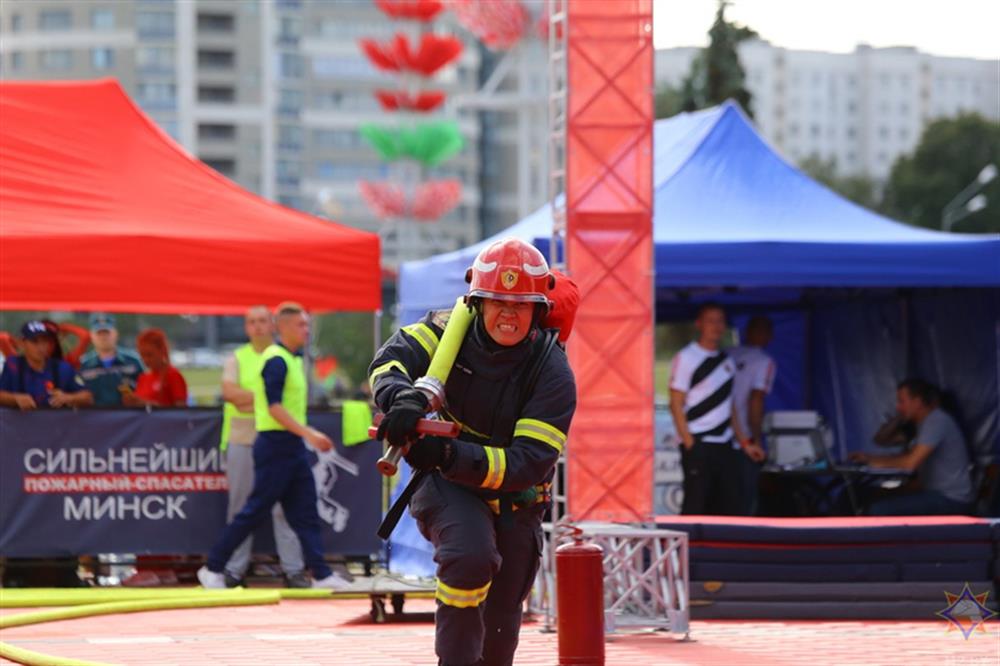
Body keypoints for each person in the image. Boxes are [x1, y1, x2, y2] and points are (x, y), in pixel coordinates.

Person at [369, 238, 576, 666]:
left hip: (516, 499)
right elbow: (389, 362)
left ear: (537, 311)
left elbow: (526, 463)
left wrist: (447, 455)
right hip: (448, 487)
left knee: (500, 630)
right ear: (477, 303)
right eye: (497, 302)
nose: (507, 314)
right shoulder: (446, 329)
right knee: (470, 557)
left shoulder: (552, 372)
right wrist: (401, 398)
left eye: (519, 305)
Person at [198, 302, 350, 590]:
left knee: (304, 512)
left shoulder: (292, 360)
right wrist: (309, 434)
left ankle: (320, 573)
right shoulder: (276, 359)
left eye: (307, 324)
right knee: (254, 510)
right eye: (300, 325)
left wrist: (305, 433)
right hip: (274, 444)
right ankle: (213, 567)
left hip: (290, 445)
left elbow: (287, 408)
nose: (306, 330)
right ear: (282, 327)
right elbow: (273, 406)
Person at [219, 305, 306, 588]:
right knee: (241, 506)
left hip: (277, 440)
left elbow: (278, 400)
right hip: (242, 438)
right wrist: (267, 397)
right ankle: (234, 569)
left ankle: (293, 570)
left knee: (286, 508)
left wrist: (255, 400)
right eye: (251, 322)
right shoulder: (237, 357)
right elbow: (229, 394)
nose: (257, 327)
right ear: (246, 327)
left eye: (262, 321)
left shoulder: (285, 356)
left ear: (273, 325)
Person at [670, 303, 764, 516]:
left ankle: (723, 549)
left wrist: (745, 443)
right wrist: (689, 442)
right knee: (696, 502)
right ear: (699, 324)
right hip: (698, 442)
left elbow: (729, 407)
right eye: (711, 321)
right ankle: (690, 549)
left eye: (720, 321)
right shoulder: (686, 358)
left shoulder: (727, 361)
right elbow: (676, 402)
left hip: (725, 444)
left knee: (729, 504)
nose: (716, 326)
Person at [850, 378, 974, 515]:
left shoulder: (936, 421)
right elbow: (880, 440)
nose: (898, 407)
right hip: (930, 492)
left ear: (918, 402)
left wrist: (873, 462)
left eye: (902, 402)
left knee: (878, 511)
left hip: (950, 499)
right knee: (859, 495)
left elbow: (910, 463)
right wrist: (869, 458)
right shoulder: (920, 425)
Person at [728, 315, 777, 515]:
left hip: (717, 437)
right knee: (746, 500)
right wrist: (756, 440)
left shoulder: (726, 353)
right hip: (743, 441)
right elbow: (755, 401)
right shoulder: (764, 361)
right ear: (769, 336)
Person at [0, 321, 93, 410]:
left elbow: (88, 397)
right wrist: (15, 399)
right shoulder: (13, 365)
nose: (41, 347)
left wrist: (68, 397)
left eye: (44, 341)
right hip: (20, 424)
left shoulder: (62, 368)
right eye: (35, 342)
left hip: (55, 424)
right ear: (22, 343)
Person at [78, 313, 144, 407]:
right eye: (99, 333)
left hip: (127, 418)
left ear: (116, 333)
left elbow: (145, 391)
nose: (103, 337)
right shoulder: (83, 365)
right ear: (92, 336)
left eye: (107, 332)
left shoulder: (133, 361)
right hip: (94, 418)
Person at [123, 328, 187, 407]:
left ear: (162, 351)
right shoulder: (143, 378)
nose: (145, 360)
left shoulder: (173, 375)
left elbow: (181, 413)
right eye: (142, 355)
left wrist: (148, 404)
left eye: (149, 355)